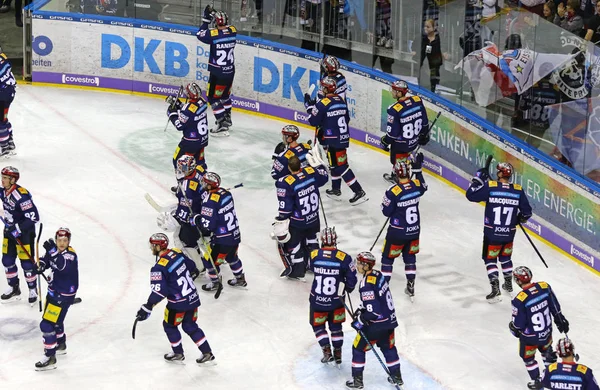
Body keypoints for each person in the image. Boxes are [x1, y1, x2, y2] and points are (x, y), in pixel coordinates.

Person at [135, 233, 215, 364]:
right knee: (190, 325)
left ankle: (178, 353)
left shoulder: (158, 268)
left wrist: (148, 306)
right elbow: (192, 267)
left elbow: (160, 291)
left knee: (169, 326)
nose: (151, 248)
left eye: (152, 245)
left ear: (158, 246)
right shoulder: (176, 252)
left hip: (177, 304)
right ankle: (207, 352)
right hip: (192, 298)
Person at [466, 162, 532, 302]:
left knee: (490, 259)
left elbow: (470, 195)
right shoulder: (518, 190)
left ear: (501, 174)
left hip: (492, 233)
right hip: (509, 233)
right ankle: (508, 284)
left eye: (498, 172)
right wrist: (518, 219)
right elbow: (527, 212)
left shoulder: (491, 187)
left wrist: (477, 179)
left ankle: (495, 289)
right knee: (505, 257)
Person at [305, 77, 367, 205]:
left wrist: (309, 105)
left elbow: (313, 121)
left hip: (333, 140)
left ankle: (358, 191)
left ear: (327, 89)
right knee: (333, 163)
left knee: (341, 166)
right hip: (342, 137)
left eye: (323, 87)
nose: (322, 89)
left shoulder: (322, 103)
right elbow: (347, 118)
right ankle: (336, 189)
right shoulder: (341, 100)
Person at [346, 251, 403, 389]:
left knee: (358, 348)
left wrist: (360, 319)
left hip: (376, 325)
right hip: (390, 321)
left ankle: (358, 382)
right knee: (388, 347)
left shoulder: (366, 284)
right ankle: (397, 377)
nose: (357, 265)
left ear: (366, 265)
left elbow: (373, 312)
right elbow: (376, 299)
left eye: (360, 263)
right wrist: (361, 308)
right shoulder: (378, 274)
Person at [509, 266, 570, 389]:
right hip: (546, 332)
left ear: (518, 280)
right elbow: (555, 306)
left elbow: (518, 325)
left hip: (530, 338)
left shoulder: (519, 300)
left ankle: (538, 382)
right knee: (547, 352)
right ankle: (551, 378)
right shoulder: (544, 287)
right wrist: (560, 320)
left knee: (528, 358)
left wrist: (513, 328)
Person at [188, 172, 247, 290]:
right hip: (235, 235)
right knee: (232, 257)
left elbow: (208, 225)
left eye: (205, 182)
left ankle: (215, 283)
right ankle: (240, 278)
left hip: (222, 240)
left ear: (210, 186)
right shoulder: (226, 193)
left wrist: (196, 219)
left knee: (209, 260)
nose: (202, 183)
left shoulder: (209, 202)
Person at [272, 154, 328, 279]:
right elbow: (324, 176)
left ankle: (297, 270)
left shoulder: (286, 183)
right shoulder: (311, 172)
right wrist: (316, 162)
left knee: (294, 244)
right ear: (301, 165)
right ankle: (314, 265)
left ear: (289, 168)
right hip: (313, 217)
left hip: (299, 221)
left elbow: (286, 208)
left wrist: (281, 219)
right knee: (312, 240)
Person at [308, 227, 357, 366]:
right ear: (335, 240)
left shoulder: (314, 254)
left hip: (317, 300)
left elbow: (311, 268)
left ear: (322, 240)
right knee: (336, 327)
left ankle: (327, 351)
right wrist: (347, 288)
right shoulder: (344, 257)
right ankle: (338, 353)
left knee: (317, 326)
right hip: (337, 301)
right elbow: (352, 280)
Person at [380, 155, 427, 297]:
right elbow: (424, 186)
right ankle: (411, 284)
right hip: (414, 230)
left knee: (387, 258)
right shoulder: (416, 185)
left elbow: (385, 211)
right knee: (410, 256)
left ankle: (383, 288)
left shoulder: (393, 191)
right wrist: (418, 170)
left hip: (397, 232)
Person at [33, 228, 78, 370]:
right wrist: (41, 265)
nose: (62, 243)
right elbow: (46, 259)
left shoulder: (70, 255)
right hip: (54, 291)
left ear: (69, 241)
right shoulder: (54, 251)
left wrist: (53, 252)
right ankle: (60, 343)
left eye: (65, 241)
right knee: (56, 321)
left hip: (63, 295)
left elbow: (62, 266)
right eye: (59, 240)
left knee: (46, 325)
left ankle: (50, 356)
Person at [156, 155, 206, 273]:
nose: (180, 169)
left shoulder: (187, 184)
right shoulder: (199, 170)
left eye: (183, 167)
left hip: (194, 217)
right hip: (203, 213)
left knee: (183, 240)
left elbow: (187, 206)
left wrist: (178, 216)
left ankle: (198, 267)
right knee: (201, 239)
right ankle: (206, 260)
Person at [0, 166, 40, 304]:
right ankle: (14, 287)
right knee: (7, 260)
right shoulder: (5, 192)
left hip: (24, 234)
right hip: (9, 232)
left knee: (27, 263)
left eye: (5, 178)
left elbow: (34, 217)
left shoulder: (21, 196)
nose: (2, 180)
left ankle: (32, 289)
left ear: (13, 179)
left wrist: (17, 227)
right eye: (2, 177)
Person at [197, 6, 237, 136]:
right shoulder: (233, 30)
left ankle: (221, 123)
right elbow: (224, 27)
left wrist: (206, 20)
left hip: (217, 73)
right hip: (230, 71)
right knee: (225, 96)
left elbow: (200, 34)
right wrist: (216, 15)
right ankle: (228, 118)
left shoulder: (213, 35)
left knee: (212, 98)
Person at [380, 80, 429, 184]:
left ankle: (400, 179)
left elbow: (392, 134)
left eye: (394, 90)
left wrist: (384, 141)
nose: (392, 92)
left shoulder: (394, 109)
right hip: (414, 141)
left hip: (401, 145)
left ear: (399, 92)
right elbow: (425, 123)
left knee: (397, 160)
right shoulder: (417, 100)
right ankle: (395, 175)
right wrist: (424, 134)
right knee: (403, 157)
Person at [165, 83, 209, 192]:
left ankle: (183, 187)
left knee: (178, 161)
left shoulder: (188, 109)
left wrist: (172, 114)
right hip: (202, 139)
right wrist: (179, 104)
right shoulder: (202, 102)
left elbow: (180, 125)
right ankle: (205, 185)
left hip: (190, 143)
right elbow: (191, 111)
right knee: (200, 163)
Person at [0, 46, 17, 156]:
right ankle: (10, 143)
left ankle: (5, 148)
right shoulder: (3, 58)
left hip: (3, 94)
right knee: (3, 118)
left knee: (0, 121)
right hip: (8, 93)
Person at [420, 19, 443, 93]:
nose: (425, 28)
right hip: (423, 63)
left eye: (428, 27)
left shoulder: (438, 38)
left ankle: (434, 89)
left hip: (434, 63)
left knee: (434, 76)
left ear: (434, 28)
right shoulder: (423, 38)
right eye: (425, 26)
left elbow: (442, 48)